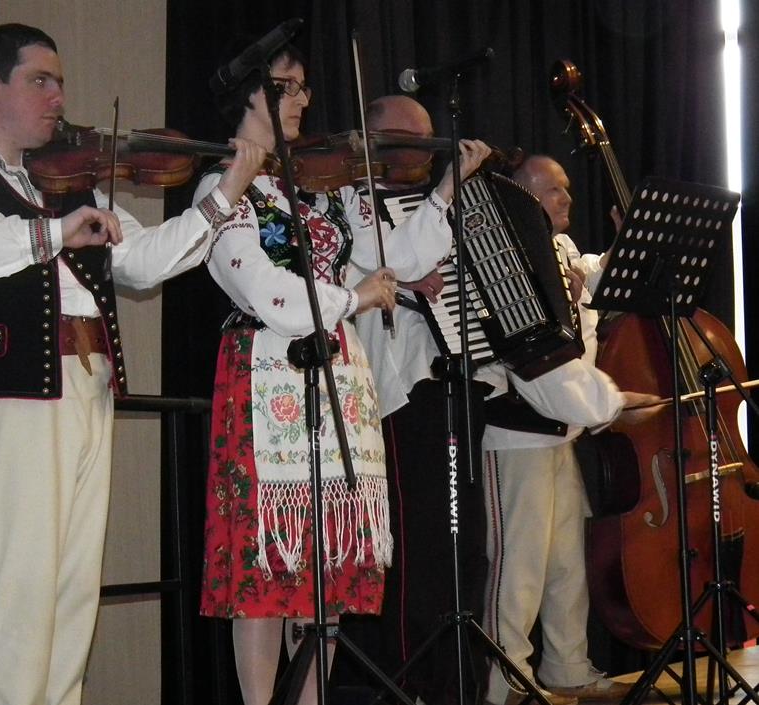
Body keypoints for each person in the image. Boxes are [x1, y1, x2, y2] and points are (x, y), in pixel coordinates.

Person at [0, 23, 266, 705]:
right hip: (9, 393)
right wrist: (52, 232)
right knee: (21, 590)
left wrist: (223, 197)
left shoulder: (73, 184)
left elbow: (143, 261)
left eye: (61, 83)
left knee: (74, 592)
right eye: (40, 80)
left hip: (88, 386)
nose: (58, 97)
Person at [195, 45, 490, 705]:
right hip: (265, 372)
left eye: (304, 86)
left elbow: (396, 258)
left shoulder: (323, 187)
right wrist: (351, 299)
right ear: (249, 93)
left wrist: (445, 191)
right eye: (286, 86)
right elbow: (262, 290)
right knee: (268, 568)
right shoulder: (223, 189)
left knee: (330, 564)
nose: (302, 99)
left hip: (338, 380)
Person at [480, 154, 658, 705]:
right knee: (520, 565)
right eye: (553, 190)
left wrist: (628, 244)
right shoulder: (510, 260)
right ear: (523, 197)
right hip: (518, 435)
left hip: (564, 431)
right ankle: (507, 681)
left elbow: (601, 279)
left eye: (566, 189)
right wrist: (610, 405)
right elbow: (531, 357)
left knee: (566, 562)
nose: (567, 199)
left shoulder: (561, 251)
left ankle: (566, 666)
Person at [335, 94, 493, 705]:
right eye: (411, 141)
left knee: (463, 546)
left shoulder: (427, 204)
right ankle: (409, 681)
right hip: (397, 389)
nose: (423, 155)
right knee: (416, 547)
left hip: (454, 380)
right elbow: (390, 263)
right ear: (372, 137)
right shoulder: (346, 199)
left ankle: (458, 682)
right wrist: (406, 270)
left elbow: (424, 262)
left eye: (429, 141)